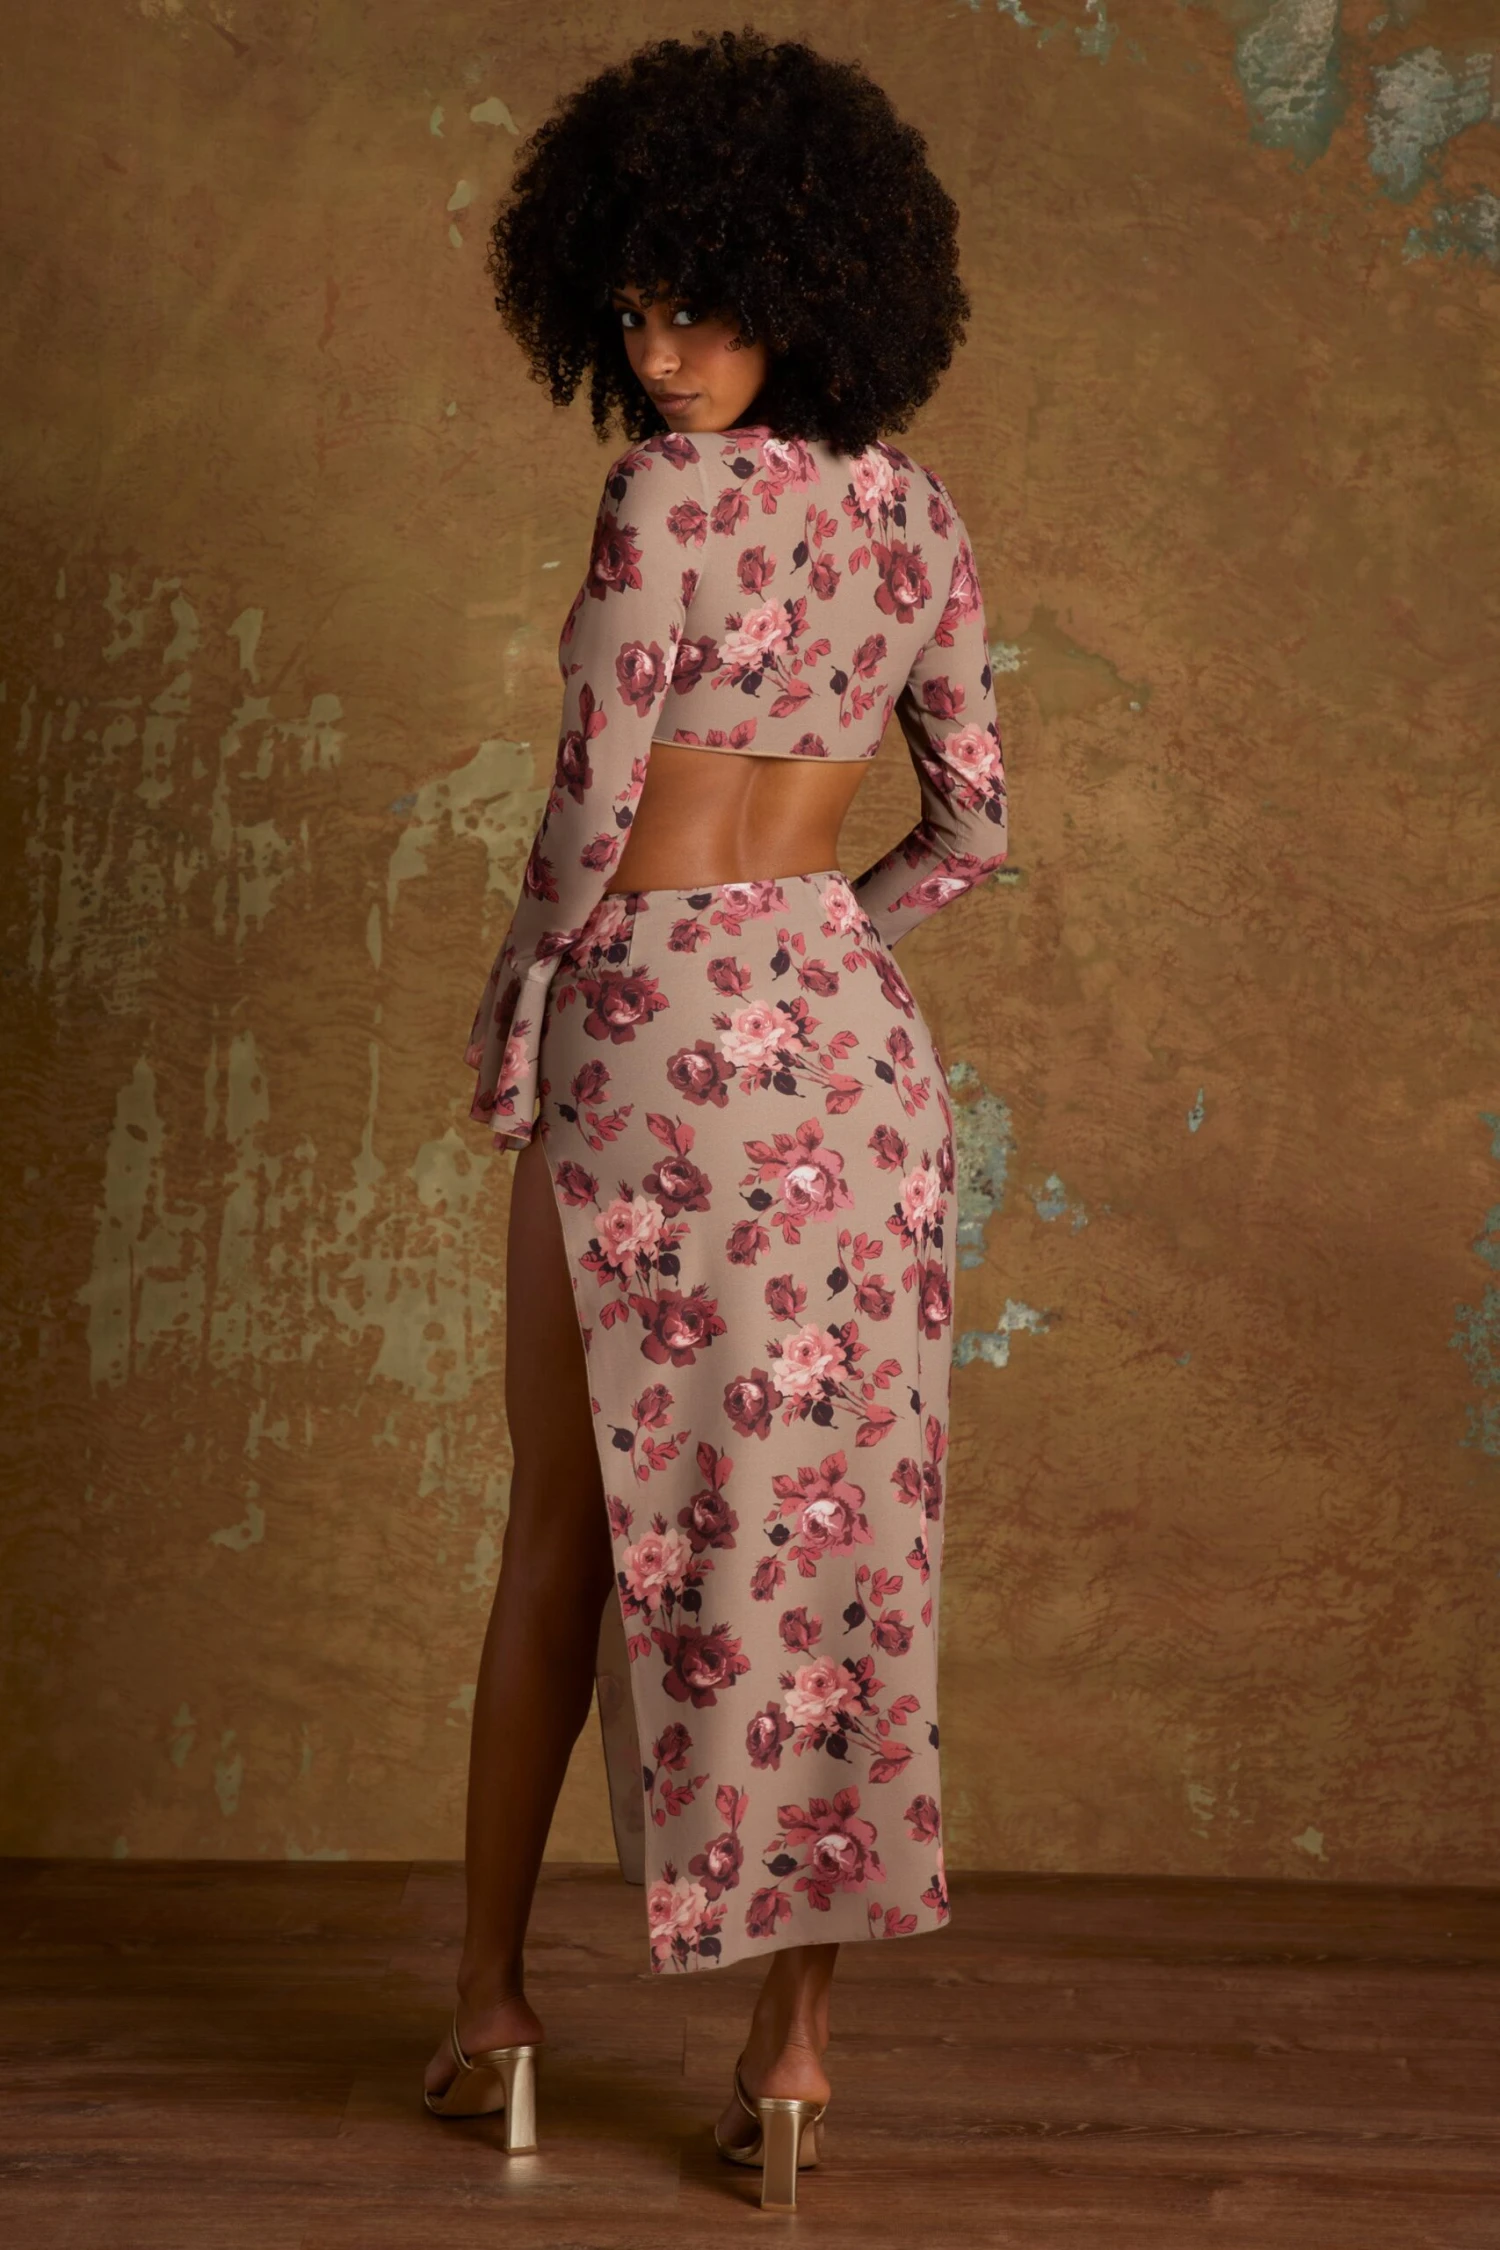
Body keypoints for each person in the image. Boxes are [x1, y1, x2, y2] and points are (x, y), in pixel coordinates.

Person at [423, 28, 1008, 2212]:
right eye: (636, 311)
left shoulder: (662, 503)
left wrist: (523, 1007)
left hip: (649, 1027)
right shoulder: (919, 518)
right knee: (841, 1540)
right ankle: (795, 2057)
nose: (659, 357)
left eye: (700, 307)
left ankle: (492, 2012)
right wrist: (818, 939)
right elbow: (975, 829)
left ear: (804, 288)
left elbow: (591, 816)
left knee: (560, 1534)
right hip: (849, 1053)